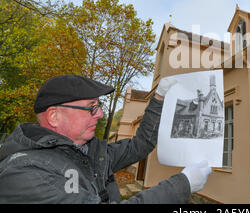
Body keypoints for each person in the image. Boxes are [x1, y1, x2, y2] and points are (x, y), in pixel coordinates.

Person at [0, 74, 212, 203]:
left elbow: (140, 145)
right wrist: (180, 186)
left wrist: (158, 98)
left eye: (99, 106)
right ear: (54, 116)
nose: (100, 114)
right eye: (91, 108)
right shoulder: (24, 173)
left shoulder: (90, 152)